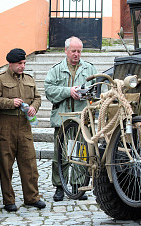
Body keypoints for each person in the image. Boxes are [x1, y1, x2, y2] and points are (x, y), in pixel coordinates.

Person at [0, 48, 46, 212]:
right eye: (20, 63)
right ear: (10, 63)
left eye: (24, 63)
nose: (23, 66)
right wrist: (10, 102)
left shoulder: (29, 79)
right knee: (6, 165)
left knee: (29, 163)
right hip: (6, 125)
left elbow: (37, 97)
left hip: (25, 126)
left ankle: (32, 198)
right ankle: (9, 200)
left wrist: (34, 107)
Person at [44, 36, 97, 202]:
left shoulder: (89, 69)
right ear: (66, 51)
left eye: (79, 51)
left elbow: (97, 90)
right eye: (73, 51)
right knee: (60, 154)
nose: (76, 54)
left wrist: (87, 94)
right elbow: (49, 90)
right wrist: (68, 91)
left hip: (82, 119)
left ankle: (77, 185)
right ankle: (59, 186)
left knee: (81, 153)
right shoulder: (56, 69)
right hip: (62, 119)